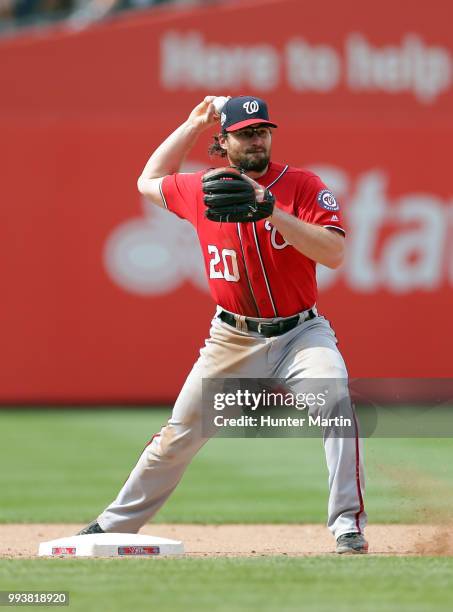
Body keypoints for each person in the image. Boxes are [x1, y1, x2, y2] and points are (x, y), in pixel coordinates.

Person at [78, 95, 368, 554]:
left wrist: (270, 208)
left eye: (263, 130)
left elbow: (334, 254)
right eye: (246, 132)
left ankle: (347, 526)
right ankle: (114, 524)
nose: (257, 139)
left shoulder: (303, 185)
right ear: (225, 139)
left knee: (335, 400)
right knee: (179, 434)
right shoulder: (203, 188)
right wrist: (191, 125)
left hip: (300, 333)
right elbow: (147, 180)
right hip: (231, 338)